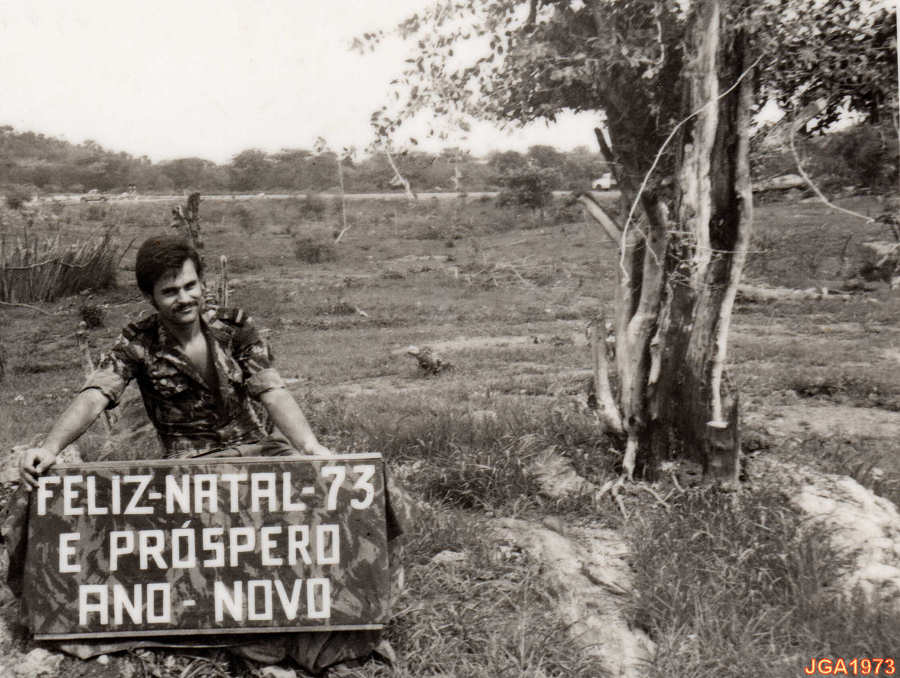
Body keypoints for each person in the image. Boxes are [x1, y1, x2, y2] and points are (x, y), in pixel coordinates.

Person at [6, 234, 408, 673]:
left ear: (201, 282)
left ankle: (355, 600)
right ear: (150, 297)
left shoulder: (235, 327)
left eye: (190, 285)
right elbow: (96, 394)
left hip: (257, 451)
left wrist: (311, 449)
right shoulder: (138, 341)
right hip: (190, 467)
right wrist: (50, 447)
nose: (184, 298)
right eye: (170, 291)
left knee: (347, 491)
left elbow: (271, 389)